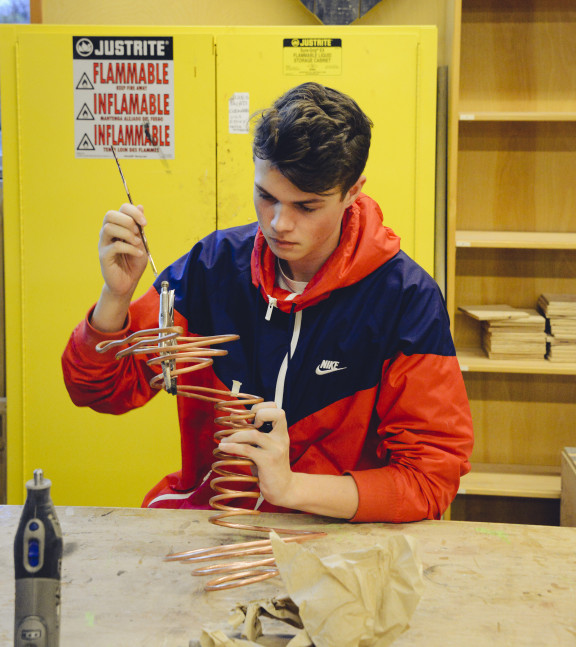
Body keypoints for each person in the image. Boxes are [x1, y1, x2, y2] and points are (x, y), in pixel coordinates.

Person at [62, 82, 473, 522]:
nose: (280, 223)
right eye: (267, 197)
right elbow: (97, 391)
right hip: (215, 523)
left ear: (353, 191)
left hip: (335, 540)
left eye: (307, 207)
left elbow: (430, 481)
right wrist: (116, 296)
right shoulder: (213, 266)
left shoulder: (404, 299)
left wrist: (294, 488)